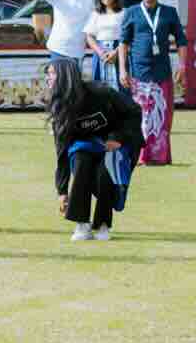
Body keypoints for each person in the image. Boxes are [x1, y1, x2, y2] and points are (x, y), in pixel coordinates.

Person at [48, 58, 143, 241]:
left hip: (112, 142)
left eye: (52, 73)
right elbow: (61, 152)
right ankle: (81, 224)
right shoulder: (60, 108)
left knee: (104, 174)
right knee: (82, 164)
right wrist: (61, 191)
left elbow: (133, 111)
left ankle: (103, 224)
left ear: (66, 76)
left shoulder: (101, 92)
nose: (49, 78)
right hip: (82, 146)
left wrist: (118, 138)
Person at [114, 0, 187, 166]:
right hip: (138, 73)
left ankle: (159, 157)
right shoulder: (131, 12)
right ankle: (140, 155)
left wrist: (183, 65)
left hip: (162, 72)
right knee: (141, 116)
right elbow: (123, 43)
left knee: (162, 116)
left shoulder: (169, 12)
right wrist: (122, 70)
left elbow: (181, 40)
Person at [36, 0, 98, 77]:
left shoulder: (88, 2)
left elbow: (94, 26)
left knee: (74, 86)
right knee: (57, 83)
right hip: (57, 48)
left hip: (76, 51)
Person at [84, 0, 127, 86]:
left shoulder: (124, 13)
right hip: (100, 54)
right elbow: (89, 36)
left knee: (120, 87)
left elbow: (129, 37)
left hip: (119, 51)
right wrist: (100, 53)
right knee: (100, 87)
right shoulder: (96, 14)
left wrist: (116, 52)